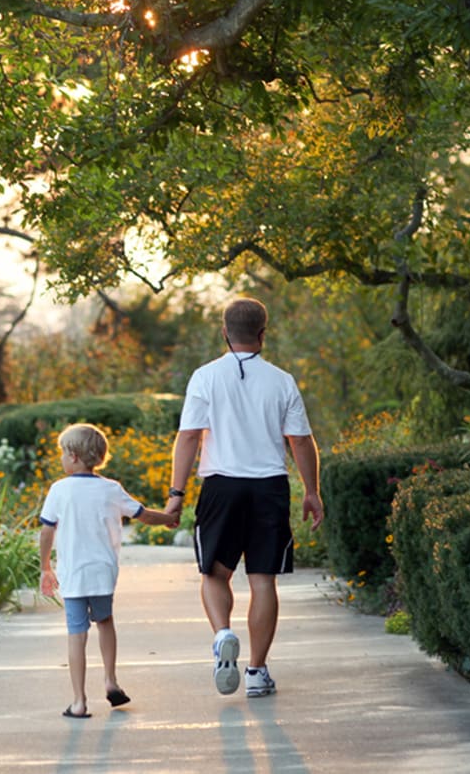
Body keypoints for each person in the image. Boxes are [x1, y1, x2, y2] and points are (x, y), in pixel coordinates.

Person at [165, 297, 324, 699]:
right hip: (269, 486)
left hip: (221, 486)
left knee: (214, 574)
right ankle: (256, 671)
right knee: (262, 580)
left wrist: (176, 494)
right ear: (263, 334)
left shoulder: (205, 377)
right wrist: (312, 491)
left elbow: (187, 437)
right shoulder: (281, 380)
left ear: (224, 332)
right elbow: (301, 442)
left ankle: (222, 636)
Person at [39, 423, 178, 719]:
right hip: (102, 573)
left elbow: (47, 532)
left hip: (74, 575)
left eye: (62, 453)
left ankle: (78, 701)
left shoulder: (59, 490)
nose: (61, 458)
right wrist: (168, 518)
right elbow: (143, 515)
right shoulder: (111, 489)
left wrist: (45, 567)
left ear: (74, 456)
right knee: (105, 622)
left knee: (76, 634)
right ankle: (111, 681)